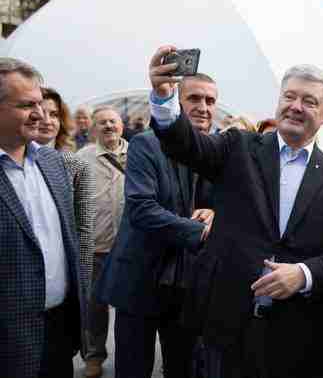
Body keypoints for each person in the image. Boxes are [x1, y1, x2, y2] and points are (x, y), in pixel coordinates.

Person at [148, 46, 323, 378]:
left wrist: (304, 274)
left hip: (296, 334)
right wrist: (165, 100)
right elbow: (187, 145)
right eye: (289, 96)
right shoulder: (238, 147)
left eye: (309, 101)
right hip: (227, 324)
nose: (295, 106)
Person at [95, 73, 218, 378]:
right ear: (176, 101)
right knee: (134, 369)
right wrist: (199, 231)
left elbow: (226, 201)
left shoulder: (216, 149)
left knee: (183, 368)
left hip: (187, 285)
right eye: (194, 98)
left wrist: (215, 213)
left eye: (210, 100)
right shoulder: (147, 144)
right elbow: (141, 209)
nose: (203, 107)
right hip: (140, 279)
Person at [0, 57, 86, 378]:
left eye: (40, 102)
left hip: (60, 330)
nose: (40, 114)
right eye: (26, 105)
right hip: (8, 338)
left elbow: (70, 242)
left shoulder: (53, 162)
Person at [36, 87, 95, 336]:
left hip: (61, 284)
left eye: (55, 114)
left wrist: (82, 283)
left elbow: (84, 230)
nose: (48, 120)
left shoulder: (75, 165)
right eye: (41, 112)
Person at [77, 106, 129, 377]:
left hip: (128, 248)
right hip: (95, 246)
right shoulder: (81, 158)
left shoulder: (138, 154)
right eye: (102, 122)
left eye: (113, 121)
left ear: (121, 125)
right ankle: (94, 357)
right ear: (94, 128)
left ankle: (128, 358)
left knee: (129, 308)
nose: (108, 126)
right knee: (94, 306)